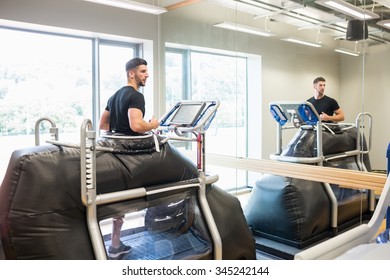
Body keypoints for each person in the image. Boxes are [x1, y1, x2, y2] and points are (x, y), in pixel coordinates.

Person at [99, 57, 159, 259]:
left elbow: (103, 125)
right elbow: (137, 125)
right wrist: (153, 123)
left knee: (119, 201)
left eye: (146, 71)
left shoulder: (114, 96)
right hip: (132, 158)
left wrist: (120, 133)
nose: (147, 74)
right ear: (131, 73)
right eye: (143, 71)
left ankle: (115, 245)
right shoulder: (135, 96)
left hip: (116, 155)